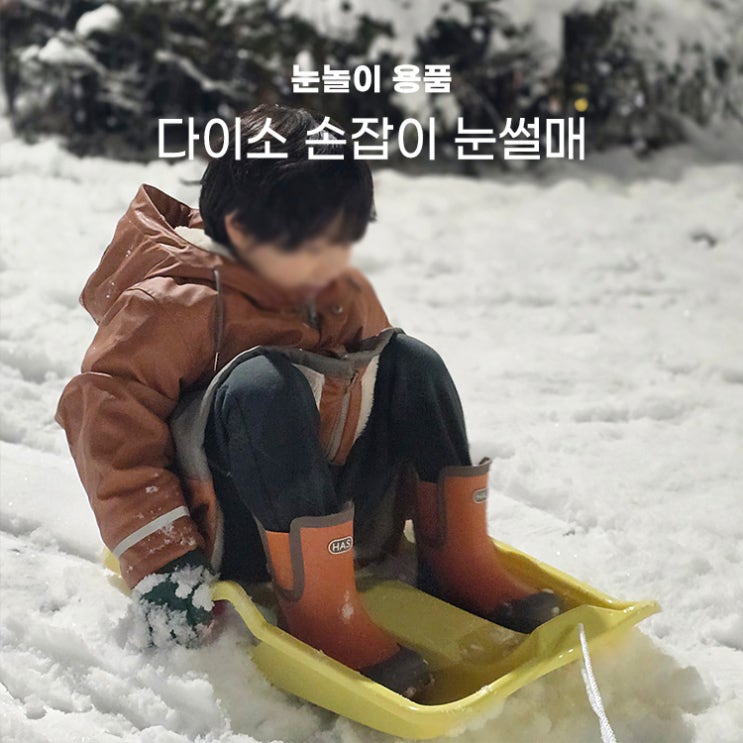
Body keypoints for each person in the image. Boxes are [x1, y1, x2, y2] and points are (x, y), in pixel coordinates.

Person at [55, 103, 561, 699]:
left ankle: (456, 556)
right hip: (230, 531)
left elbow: (380, 393)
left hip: (333, 512)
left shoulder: (336, 290)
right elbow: (108, 425)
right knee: (262, 383)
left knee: (410, 360)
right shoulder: (172, 304)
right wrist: (165, 559)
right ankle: (321, 609)